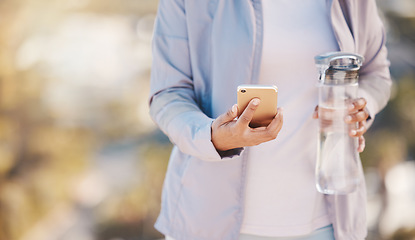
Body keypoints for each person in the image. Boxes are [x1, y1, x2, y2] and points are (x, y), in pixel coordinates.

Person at [149, 0, 391, 239]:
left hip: (329, 222)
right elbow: (168, 94)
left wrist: (360, 105)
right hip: (211, 223)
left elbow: (377, 74)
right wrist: (212, 137)